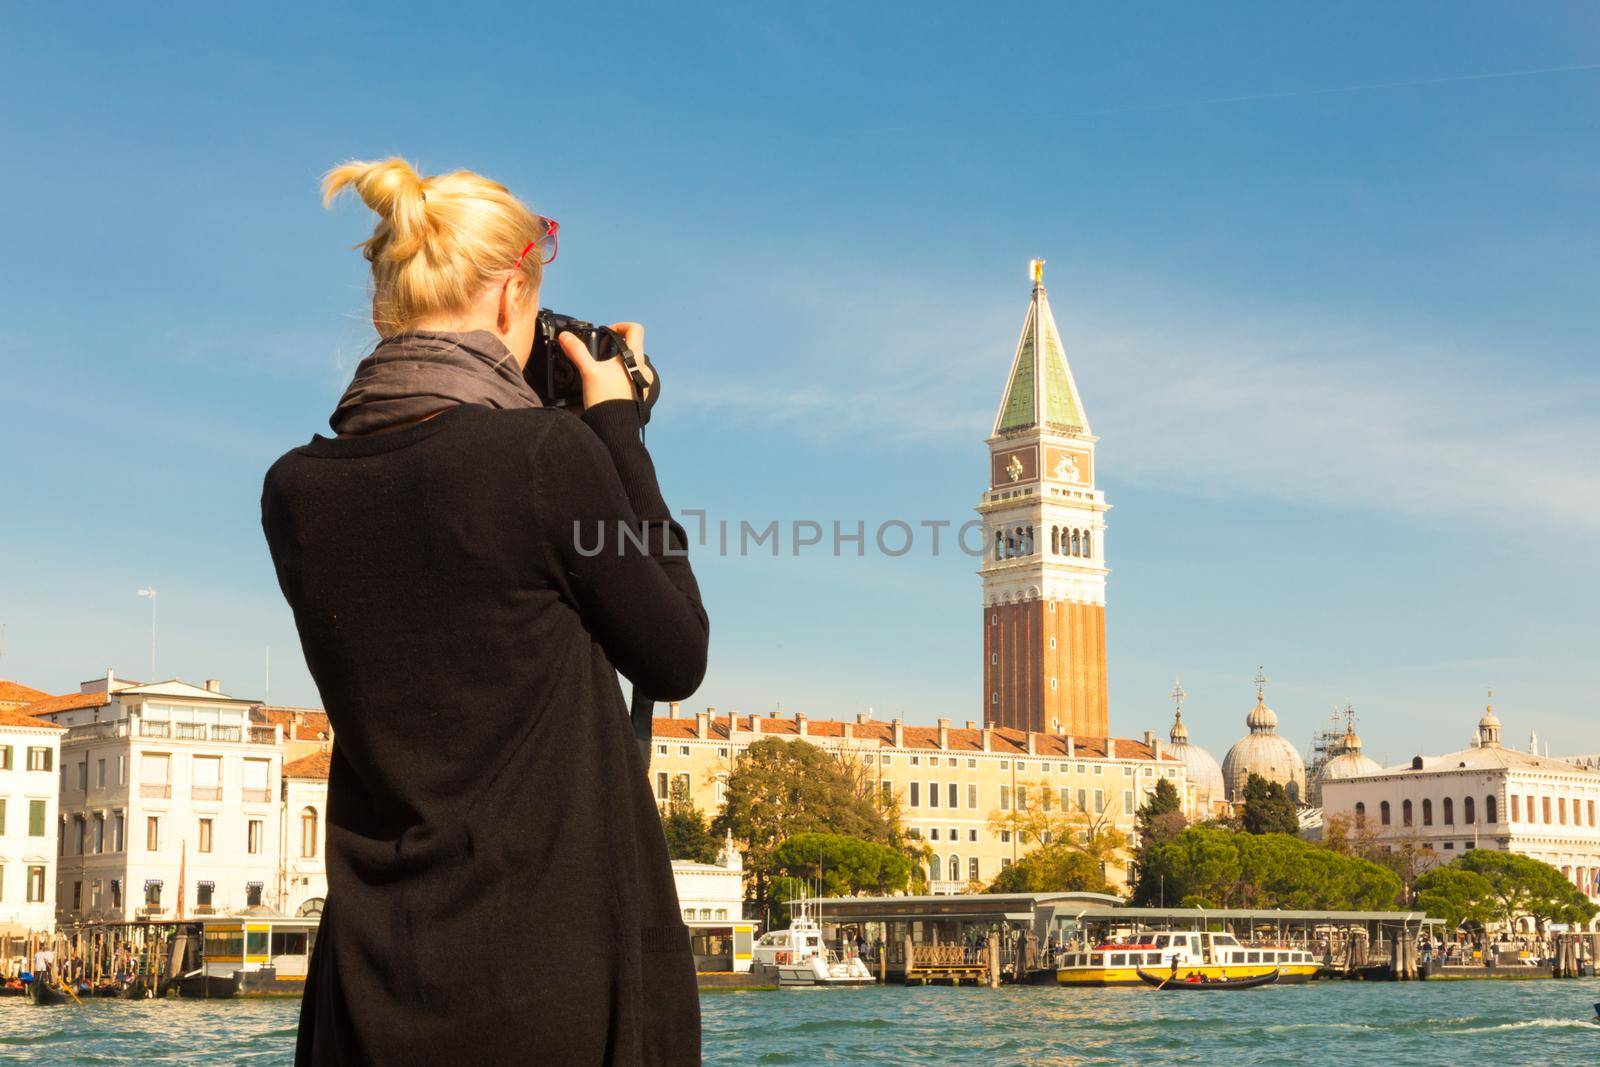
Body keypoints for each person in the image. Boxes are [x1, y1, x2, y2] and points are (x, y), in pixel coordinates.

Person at [262, 158, 709, 1065]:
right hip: (556, 982)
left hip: (367, 982)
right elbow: (676, 651)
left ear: (388, 304)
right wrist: (616, 427)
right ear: (513, 291)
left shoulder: (294, 490)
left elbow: (458, 564)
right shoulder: (549, 458)